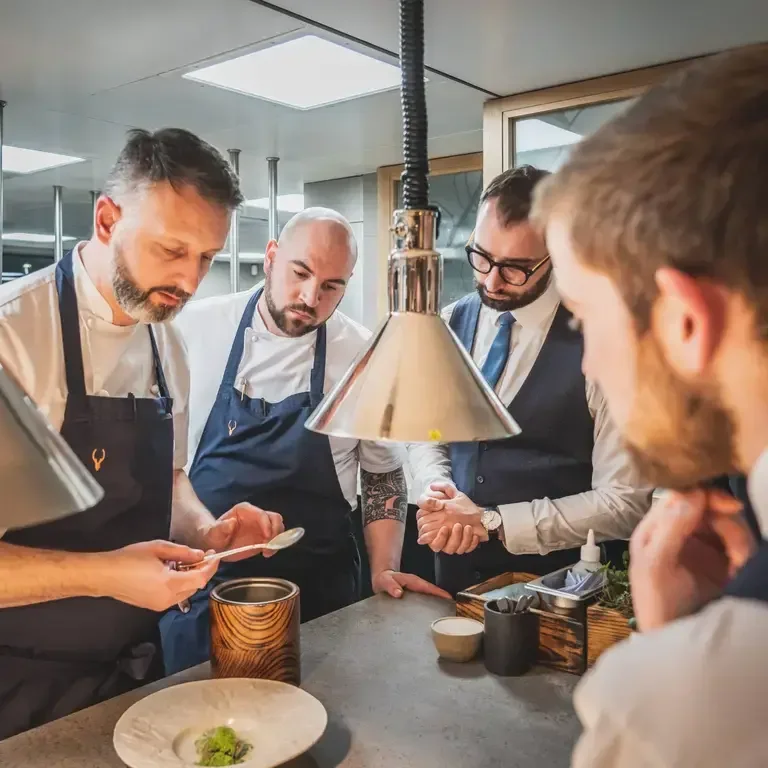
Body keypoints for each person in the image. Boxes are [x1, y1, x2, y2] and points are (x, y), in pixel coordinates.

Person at [0, 128, 283, 739]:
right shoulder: (14, 339)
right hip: (16, 691)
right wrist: (107, 574)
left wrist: (207, 528)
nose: (189, 279)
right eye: (170, 248)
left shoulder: (166, 340)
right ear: (107, 219)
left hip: (130, 676)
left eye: (205, 257)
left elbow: (171, 478)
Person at [531, 43, 768, 766]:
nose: (592, 362)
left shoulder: (684, 709)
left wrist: (677, 655)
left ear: (685, 322)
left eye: (583, 316)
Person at [160, 206, 450, 675]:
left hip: (319, 597)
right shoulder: (195, 329)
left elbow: (382, 473)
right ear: (271, 257)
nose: (311, 296)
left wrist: (384, 567)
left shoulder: (361, 353)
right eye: (300, 273)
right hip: (208, 587)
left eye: (332, 286)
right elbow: (169, 472)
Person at [409, 167, 653, 595]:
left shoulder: (605, 341)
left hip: (557, 595)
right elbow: (427, 428)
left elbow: (624, 503)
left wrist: (491, 522)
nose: (491, 281)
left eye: (516, 268)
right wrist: (438, 490)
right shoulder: (451, 322)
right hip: (453, 579)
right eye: (481, 257)